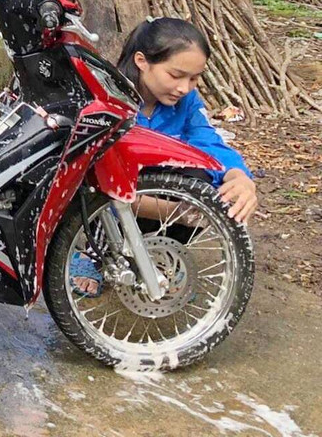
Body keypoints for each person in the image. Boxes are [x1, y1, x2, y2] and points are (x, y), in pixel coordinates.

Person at [72, 17, 258, 295]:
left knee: (204, 181)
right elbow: (92, 179)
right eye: (176, 75)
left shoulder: (186, 102)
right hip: (108, 201)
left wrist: (239, 177)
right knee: (97, 185)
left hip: (152, 195)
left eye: (194, 78)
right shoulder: (108, 100)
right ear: (141, 61)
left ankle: (157, 254)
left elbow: (207, 141)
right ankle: (93, 253)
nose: (185, 87)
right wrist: (174, 212)